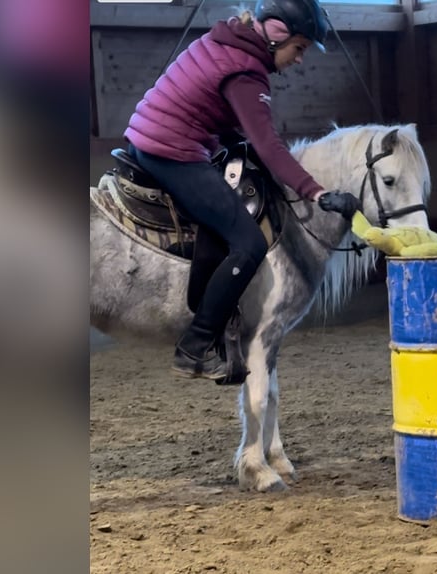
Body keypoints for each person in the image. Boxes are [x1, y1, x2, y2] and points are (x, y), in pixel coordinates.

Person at [124, 0, 359, 381]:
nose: (299, 60)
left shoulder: (228, 38)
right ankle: (196, 345)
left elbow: (214, 113)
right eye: (299, 48)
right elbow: (269, 145)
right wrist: (315, 193)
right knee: (249, 243)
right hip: (172, 149)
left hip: (149, 137)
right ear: (277, 35)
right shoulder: (246, 71)